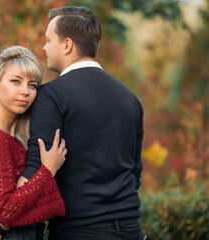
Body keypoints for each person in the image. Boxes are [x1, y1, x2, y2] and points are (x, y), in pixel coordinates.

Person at [17, 6, 146, 240]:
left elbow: (36, 171)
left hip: (79, 231)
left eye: (48, 40)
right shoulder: (130, 99)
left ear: (67, 45)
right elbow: (135, 173)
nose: (44, 47)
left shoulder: (51, 95)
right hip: (132, 230)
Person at [0, 46, 67, 240]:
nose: (25, 92)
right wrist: (48, 169)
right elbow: (5, 210)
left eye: (32, 85)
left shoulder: (13, 140)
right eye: (16, 81)